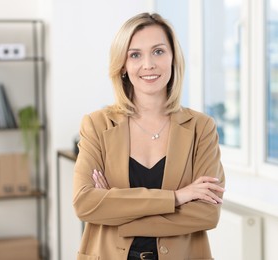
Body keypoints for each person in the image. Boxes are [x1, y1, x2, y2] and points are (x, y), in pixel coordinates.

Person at [73, 12, 225, 260]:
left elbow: (207, 214)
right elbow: (85, 203)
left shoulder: (201, 128)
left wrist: (117, 210)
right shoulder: (97, 125)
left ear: (173, 57)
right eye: (135, 54)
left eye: (158, 51)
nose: (148, 64)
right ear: (123, 65)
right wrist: (176, 197)